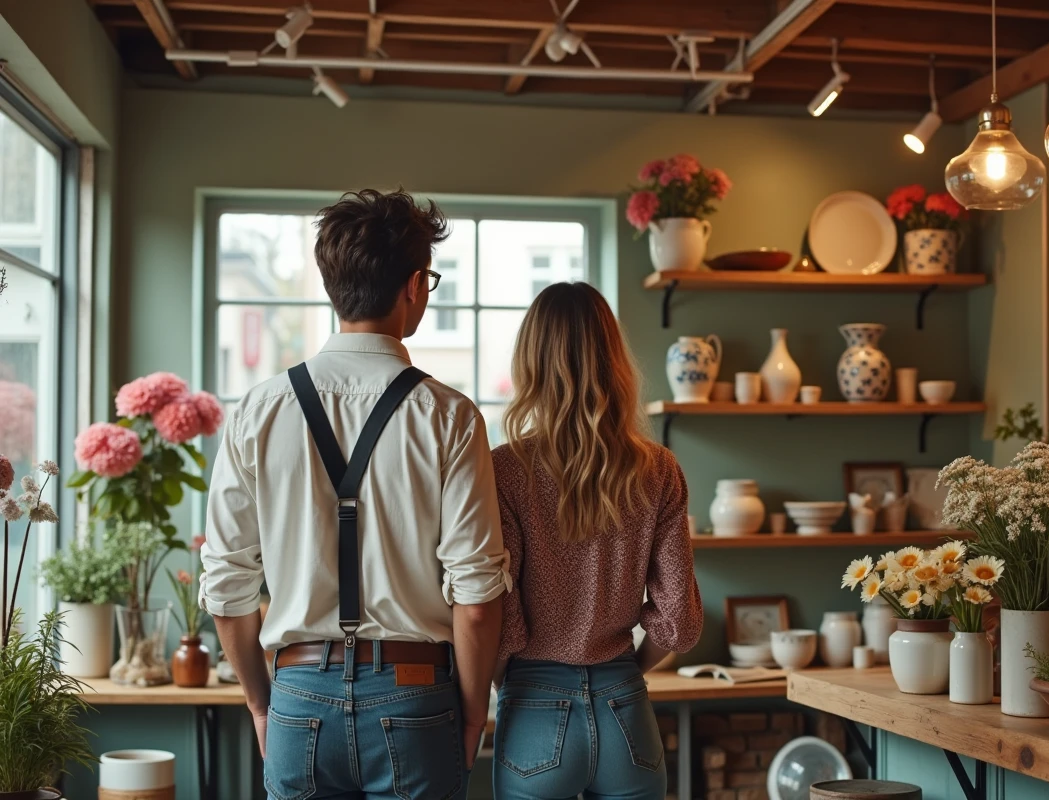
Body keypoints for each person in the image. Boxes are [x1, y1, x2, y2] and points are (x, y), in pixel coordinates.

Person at [200, 189, 509, 800]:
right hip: (417, 696)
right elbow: (475, 598)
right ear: (416, 284)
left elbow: (226, 583)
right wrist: (474, 715)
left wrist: (264, 708)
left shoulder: (257, 411)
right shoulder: (449, 416)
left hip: (296, 697)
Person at [490, 282, 703, 800]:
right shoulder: (658, 469)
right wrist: (626, 670)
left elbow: (500, 616)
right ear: (613, 359)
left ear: (531, 361)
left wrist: (509, 684)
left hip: (533, 705)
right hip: (624, 706)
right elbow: (681, 620)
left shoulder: (504, 470)